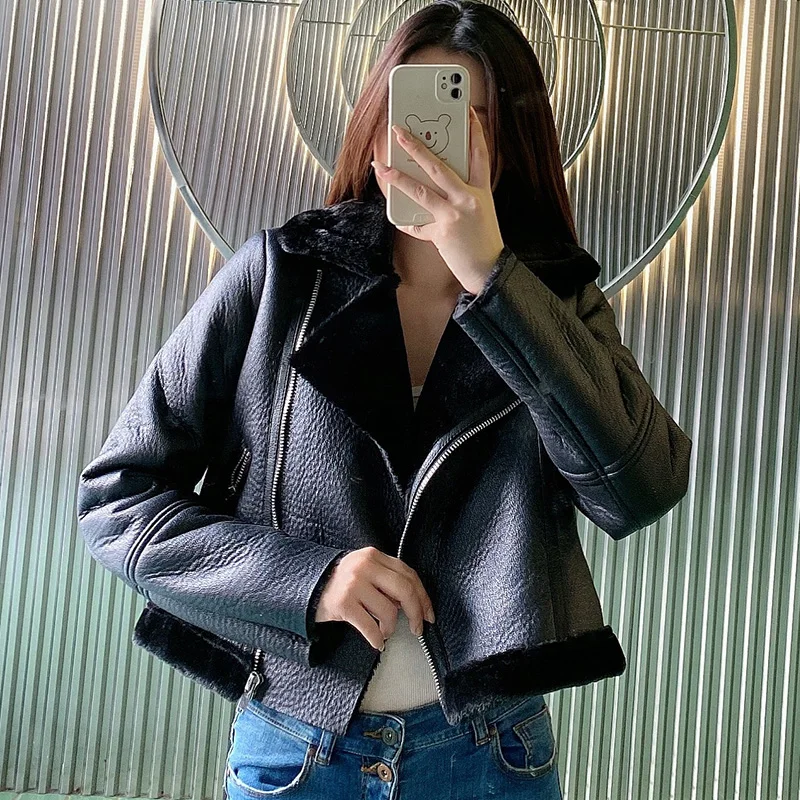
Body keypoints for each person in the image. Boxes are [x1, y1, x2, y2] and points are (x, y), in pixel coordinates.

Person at [76, 1, 692, 798]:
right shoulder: (280, 279)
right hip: (297, 751)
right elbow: (117, 501)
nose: (432, 142)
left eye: (467, 120)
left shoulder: (558, 304)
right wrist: (307, 580)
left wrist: (495, 279)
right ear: (374, 132)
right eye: (416, 112)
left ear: (506, 146)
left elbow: (641, 487)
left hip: (493, 754)